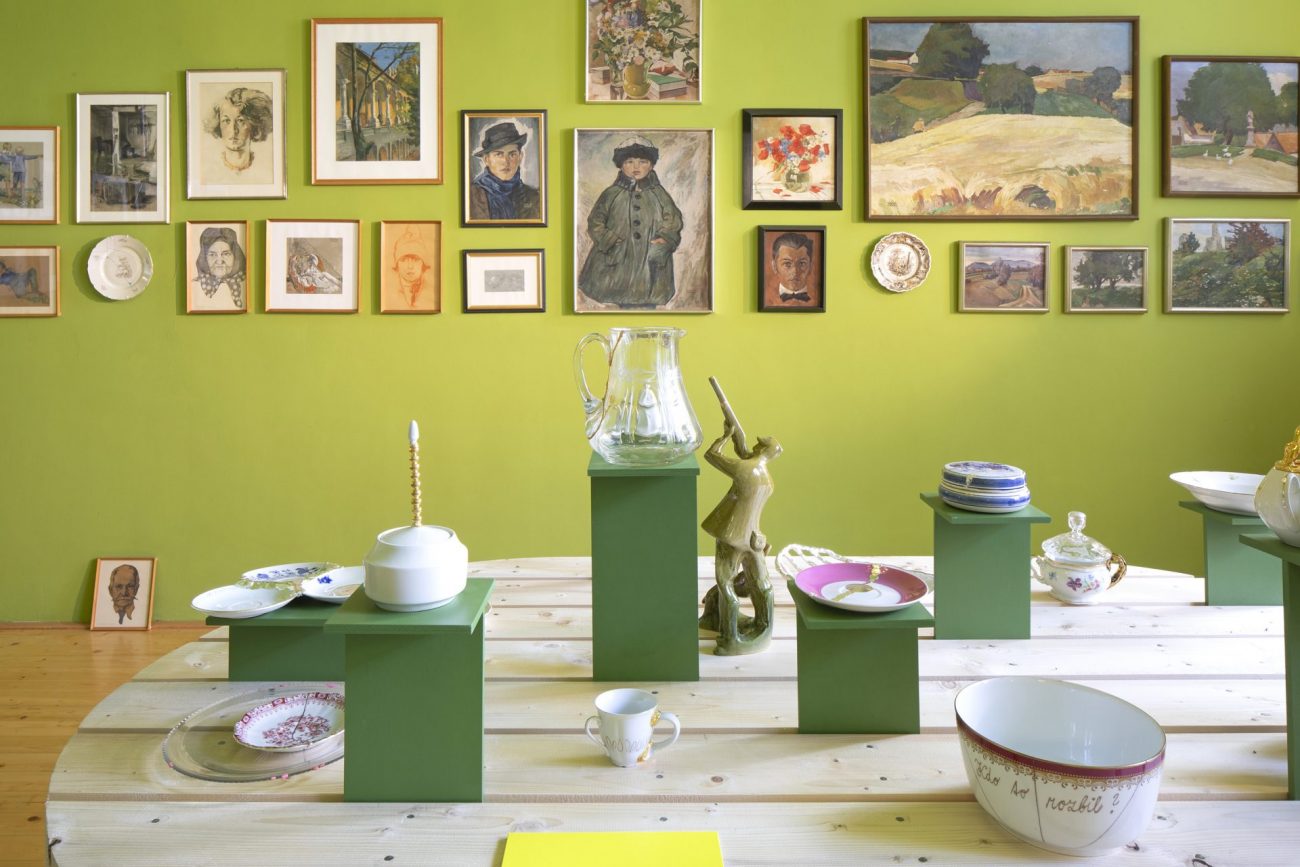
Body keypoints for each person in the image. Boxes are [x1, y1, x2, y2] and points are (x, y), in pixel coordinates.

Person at [699, 417, 783, 656]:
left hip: (731, 536)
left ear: (761, 449)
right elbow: (745, 454)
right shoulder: (766, 477)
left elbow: (711, 455)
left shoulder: (746, 469)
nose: (753, 447)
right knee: (761, 583)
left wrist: (725, 437)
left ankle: (730, 637)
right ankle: (762, 627)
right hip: (754, 538)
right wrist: (739, 440)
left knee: (726, 584)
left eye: (757, 445)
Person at [578, 135, 683, 308]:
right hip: (616, 261)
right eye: (629, 162)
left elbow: (673, 219)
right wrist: (610, 240)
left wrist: (664, 239)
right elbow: (595, 221)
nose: (636, 167)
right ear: (620, 165)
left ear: (651, 165)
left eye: (643, 161)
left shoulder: (659, 194)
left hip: (650, 263)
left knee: (647, 303)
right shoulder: (611, 194)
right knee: (616, 302)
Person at [468, 121, 541, 221]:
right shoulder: (471, 195)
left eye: (512, 154)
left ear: (520, 157)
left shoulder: (534, 197)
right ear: (486, 159)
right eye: (499, 154)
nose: (506, 162)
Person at [202, 86, 274, 184]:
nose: (233, 130)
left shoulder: (266, 170)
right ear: (218, 124)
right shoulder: (208, 172)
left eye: (240, 120)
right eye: (226, 120)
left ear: (254, 124)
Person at [193, 227, 246, 309]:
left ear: (235, 256)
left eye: (226, 254)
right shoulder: (194, 286)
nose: (220, 262)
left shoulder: (246, 283)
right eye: (212, 255)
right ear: (204, 258)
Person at [389, 226, 435, 308]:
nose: (410, 266)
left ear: (423, 264)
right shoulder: (388, 291)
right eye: (403, 260)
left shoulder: (432, 291)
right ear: (397, 265)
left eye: (416, 259)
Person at [767, 232, 814, 304]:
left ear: (810, 266)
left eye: (802, 263)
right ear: (774, 266)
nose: (795, 271)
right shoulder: (767, 299)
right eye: (787, 264)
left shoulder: (816, 298)